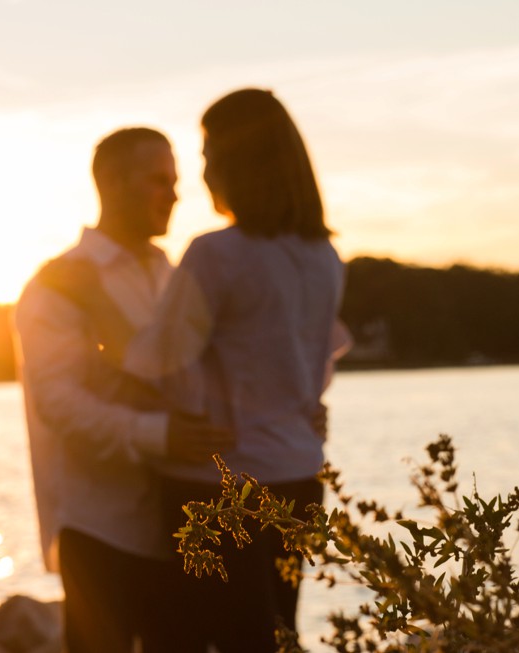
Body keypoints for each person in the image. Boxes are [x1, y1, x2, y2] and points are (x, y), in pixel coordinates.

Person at [102, 89, 348, 652]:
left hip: (217, 487)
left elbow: (159, 360)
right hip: (299, 479)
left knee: (200, 642)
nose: (204, 170)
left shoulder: (218, 253)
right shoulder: (323, 256)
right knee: (276, 636)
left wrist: (104, 330)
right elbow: (316, 369)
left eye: (210, 152)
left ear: (240, 161)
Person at [12, 127, 232, 653]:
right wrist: (160, 435)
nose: (176, 194)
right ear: (111, 181)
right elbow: (58, 403)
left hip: (179, 522)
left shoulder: (174, 276)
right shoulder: (57, 285)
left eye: (175, 181)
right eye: (159, 181)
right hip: (99, 528)